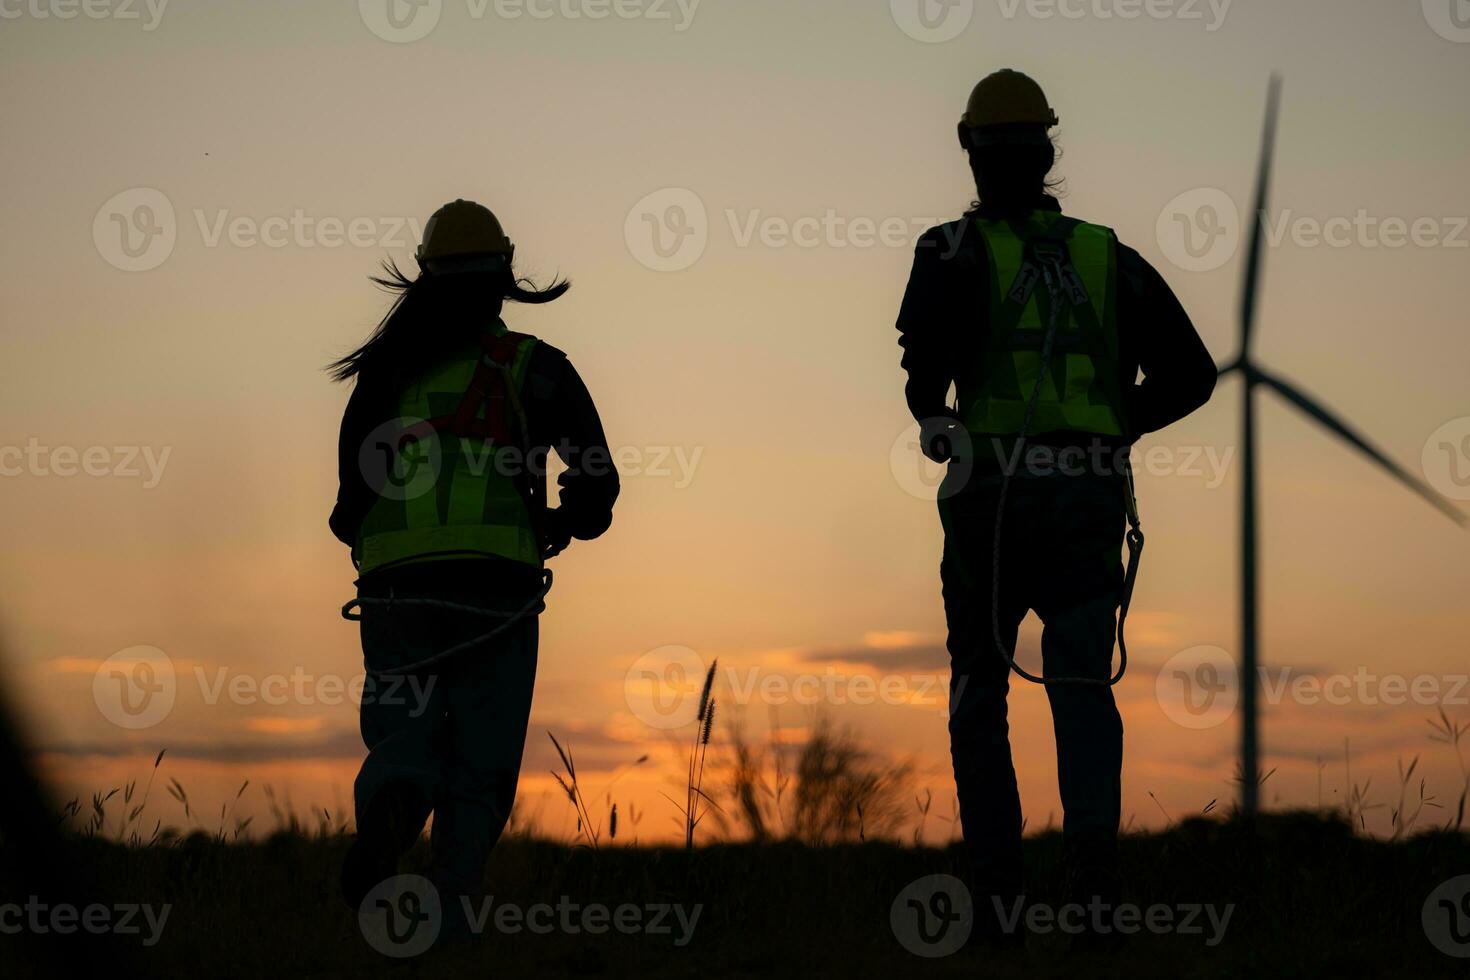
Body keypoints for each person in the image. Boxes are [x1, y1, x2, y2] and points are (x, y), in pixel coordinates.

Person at [894, 71, 1217, 945]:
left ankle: (996, 907)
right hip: (1083, 501)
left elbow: (923, 379)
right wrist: (1113, 429)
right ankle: (1094, 902)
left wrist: (940, 426)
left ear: (970, 149)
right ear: (1048, 152)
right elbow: (1194, 375)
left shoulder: (948, 250)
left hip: (991, 501)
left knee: (978, 691)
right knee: (1079, 691)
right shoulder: (1109, 256)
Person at [328, 200, 619, 932]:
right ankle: (446, 914)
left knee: (405, 733)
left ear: (423, 278)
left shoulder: (387, 375)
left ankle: (392, 809)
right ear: (504, 278)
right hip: (497, 587)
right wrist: (566, 522)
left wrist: (377, 537)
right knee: (481, 760)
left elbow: (348, 500)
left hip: (397, 588)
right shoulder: (535, 367)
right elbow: (596, 480)